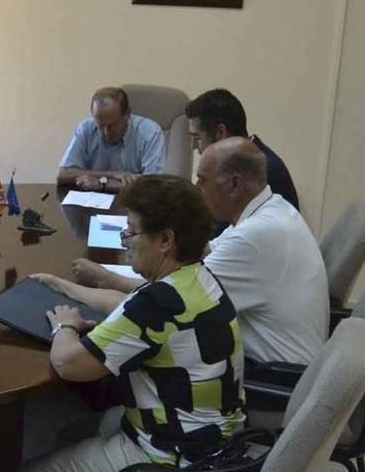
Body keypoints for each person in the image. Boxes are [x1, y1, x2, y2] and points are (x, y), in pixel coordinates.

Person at [24, 176, 244, 471]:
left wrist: (64, 326)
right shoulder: (194, 278)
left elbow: (69, 364)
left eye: (130, 231)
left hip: (171, 455)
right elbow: (123, 303)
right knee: (68, 434)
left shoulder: (157, 304)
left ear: (165, 240)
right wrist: (64, 286)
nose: (124, 240)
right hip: (214, 439)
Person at [72, 138, 328, 367]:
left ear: (235, 184)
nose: (197, 189)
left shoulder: (255, 236)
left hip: (268, 378)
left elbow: (172, 294)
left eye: (202, 180)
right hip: (277, 364)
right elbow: (204, 253)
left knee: (135, 353)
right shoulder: (270, 210)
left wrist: (104, 277)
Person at [185, 88, 299, 211]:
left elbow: (221, 225)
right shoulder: (245, 160)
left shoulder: (260, 170)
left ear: (220, 132)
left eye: (198, 138)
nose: (194, 146)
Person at [57, 87, 166, 192]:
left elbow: (154, 185)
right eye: (100, 125)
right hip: (92, 202)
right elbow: (63, 175)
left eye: (111, 126)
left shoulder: (150, 133)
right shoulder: (86, 128)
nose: (105, 132)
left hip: (134, 204)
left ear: (127, 114)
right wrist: (111, 174)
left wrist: (103, 183)